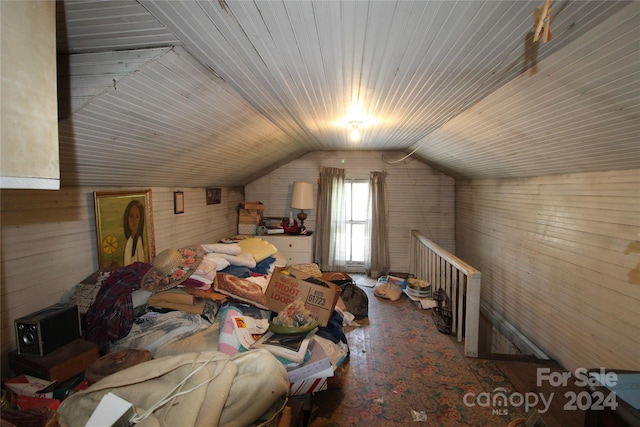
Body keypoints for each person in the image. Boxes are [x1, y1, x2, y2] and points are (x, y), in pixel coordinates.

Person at [123, 200, 146, 265]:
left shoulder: (138, 241)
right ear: (126, 219)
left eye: (137, 217)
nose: (134, 220)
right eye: (131, 216)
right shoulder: (129, 242)